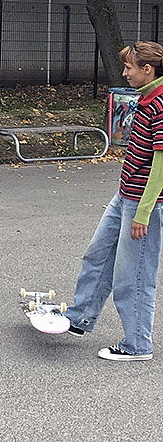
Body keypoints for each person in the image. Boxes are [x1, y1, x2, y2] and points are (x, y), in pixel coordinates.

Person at [63, 42, 163, 361]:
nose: (125, 73)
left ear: (147, 69)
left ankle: (137, 345)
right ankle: (80, 317)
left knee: (133, 275)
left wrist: (143, 213)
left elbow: (161, 165)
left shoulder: (160, 104)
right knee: (98, 255)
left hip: (145, 204)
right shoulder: (146, 98)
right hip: (124, 195)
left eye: (129, 67)